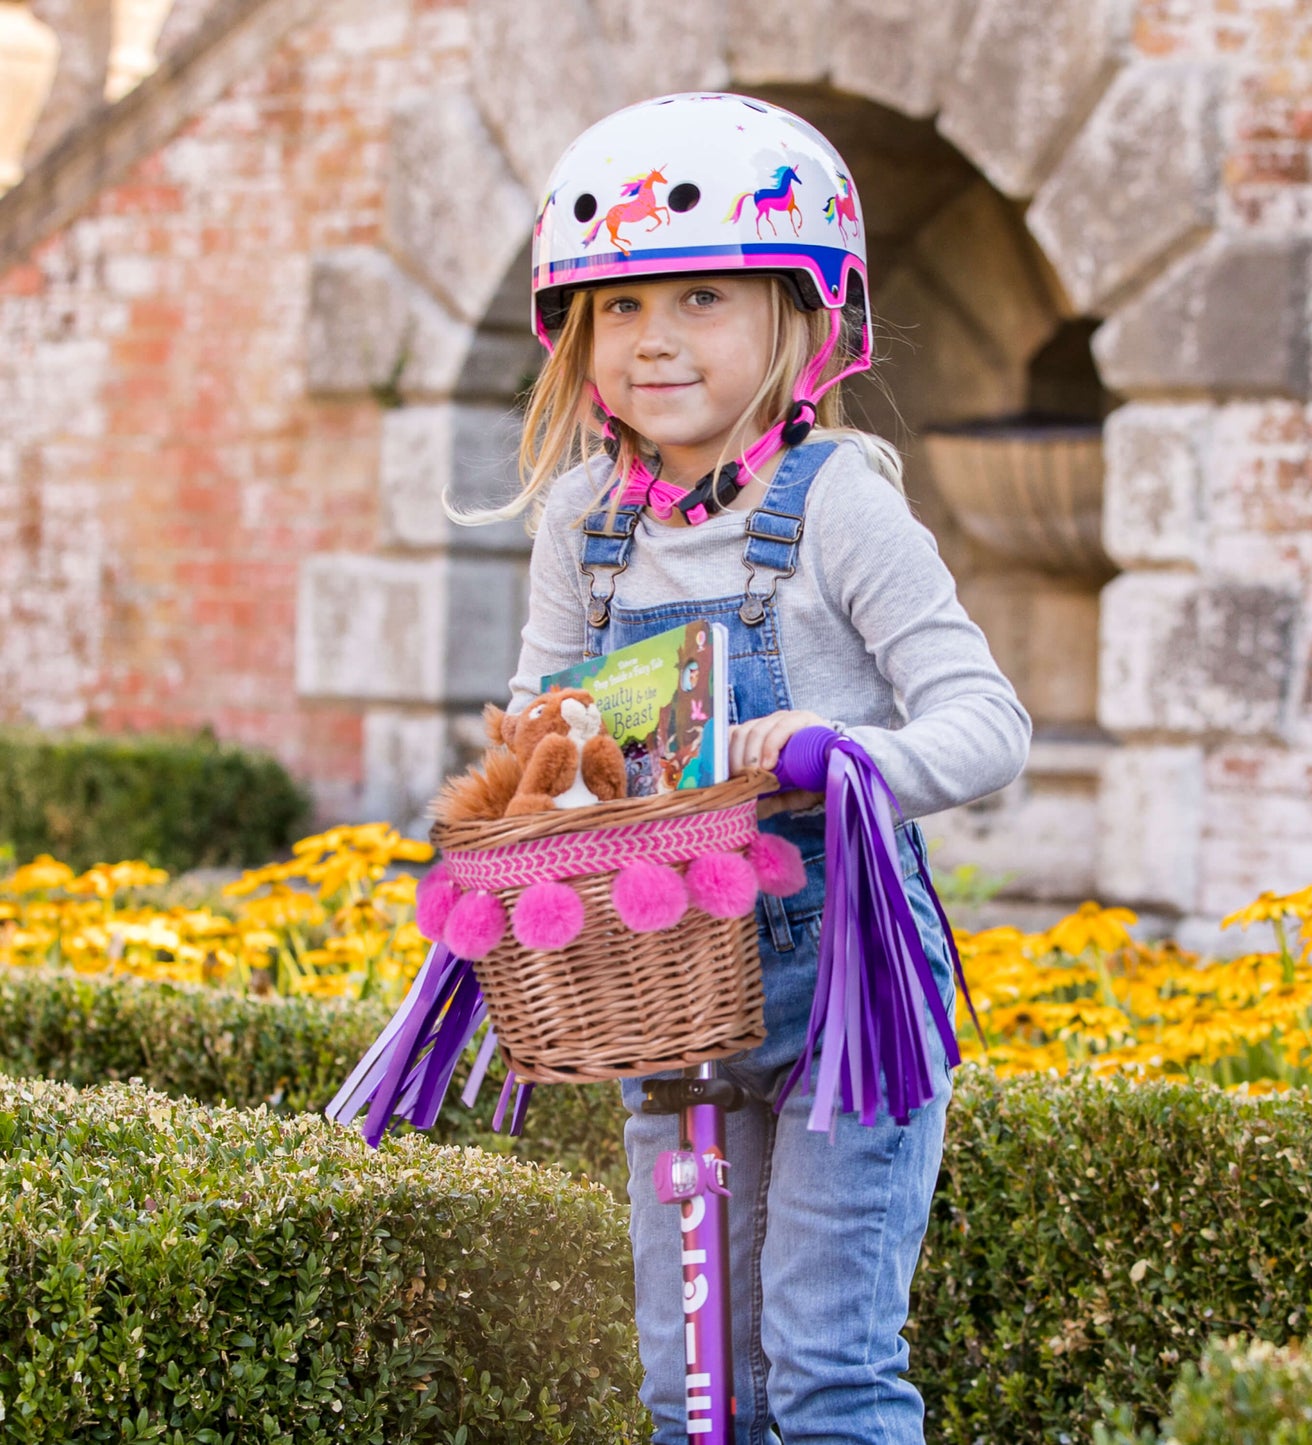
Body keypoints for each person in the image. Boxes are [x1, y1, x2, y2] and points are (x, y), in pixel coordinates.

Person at [449, 92, 1031, 1445]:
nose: (654, 337)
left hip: (846, 990)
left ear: (804, 319)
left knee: (825, 1369)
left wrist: (851, 754)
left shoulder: (840, 503)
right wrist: (539, 762)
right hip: (669, 986)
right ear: (577, 335)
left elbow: (986, 720)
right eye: (620, 307)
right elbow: (543, 711)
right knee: (695, 1387)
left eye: (701, 296)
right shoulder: (583, 522)